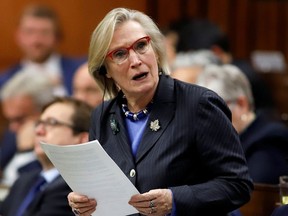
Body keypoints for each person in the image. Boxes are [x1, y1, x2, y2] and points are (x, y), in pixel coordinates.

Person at [66, 8, 253, 216]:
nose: (136, 60)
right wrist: (83, 203)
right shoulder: (101, 115)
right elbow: (100, 190)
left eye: (141, 46)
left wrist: (174, 200)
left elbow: (237, 185)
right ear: (105, 70)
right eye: (120, 54)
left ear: (155, 49)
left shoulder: (199, 104)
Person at [196, 64, 288, 184]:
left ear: (241, 104)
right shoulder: (221, 141)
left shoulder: (269, 140)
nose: (204, 121)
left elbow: (251, 193)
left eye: (212, 109)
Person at [0, 97, 93, 215]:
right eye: (39, 123)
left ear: (82, 139)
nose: (38, 131)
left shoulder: (75, 186)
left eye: (52, 122)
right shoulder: (24, 180)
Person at [0, 3, 85, 95]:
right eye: (29, 32)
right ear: (18, 36)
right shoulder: (5, 81)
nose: (36, 40)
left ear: (57, 36)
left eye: (45, 32)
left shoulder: (82, 70)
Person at [0, 70, 55, 186]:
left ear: (45, 110)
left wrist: (25, 152)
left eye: (20, 119)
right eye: (9, 120)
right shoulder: (11, 136)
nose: (13, 127)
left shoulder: (61, 141)